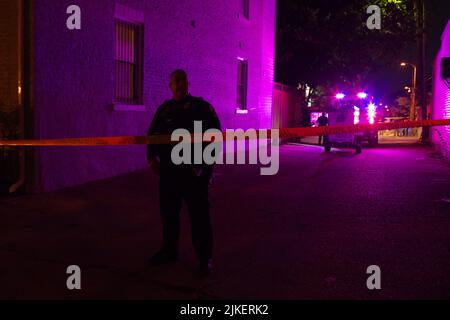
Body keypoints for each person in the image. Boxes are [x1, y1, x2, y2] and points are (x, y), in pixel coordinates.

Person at [146, 69, 221, 277]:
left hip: (193, 174)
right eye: (174, 82)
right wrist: (151, 158)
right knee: (169, 215)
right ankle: (169, 252)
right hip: (169, 174)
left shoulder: (201, 108)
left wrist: (207, 169)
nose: (178, 84)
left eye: (181, 80)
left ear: (188, 83)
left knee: (199, 218)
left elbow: (215, 136)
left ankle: (205, 260)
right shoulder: (164, 110)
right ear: (170, 86)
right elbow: (152, 135)